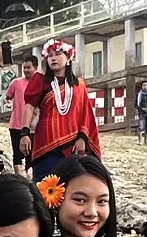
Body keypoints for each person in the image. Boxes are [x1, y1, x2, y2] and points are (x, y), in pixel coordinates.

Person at [22, 38, 102, 182]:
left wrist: (82, 138)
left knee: (70, 185)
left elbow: (85, 114)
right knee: (45, 187)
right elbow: (29, 107)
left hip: (73, 144)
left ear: (69, 57)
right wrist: (24, 133)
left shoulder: (79, 85)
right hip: (44, 143)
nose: (53, 58)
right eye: (50, 55)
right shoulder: (40, 80)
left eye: (58, 54)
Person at [6, 56, 38, 172]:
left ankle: (30, 179)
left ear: (36, 68)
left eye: (29, 68)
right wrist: (9, 103)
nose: (26, 70)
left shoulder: (41, 84)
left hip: (33, 126)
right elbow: (8, 97)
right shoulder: (16, 83)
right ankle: (18, 178)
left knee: (31, 154)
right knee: (17, 153)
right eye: (24, 68)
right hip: (16, 124)